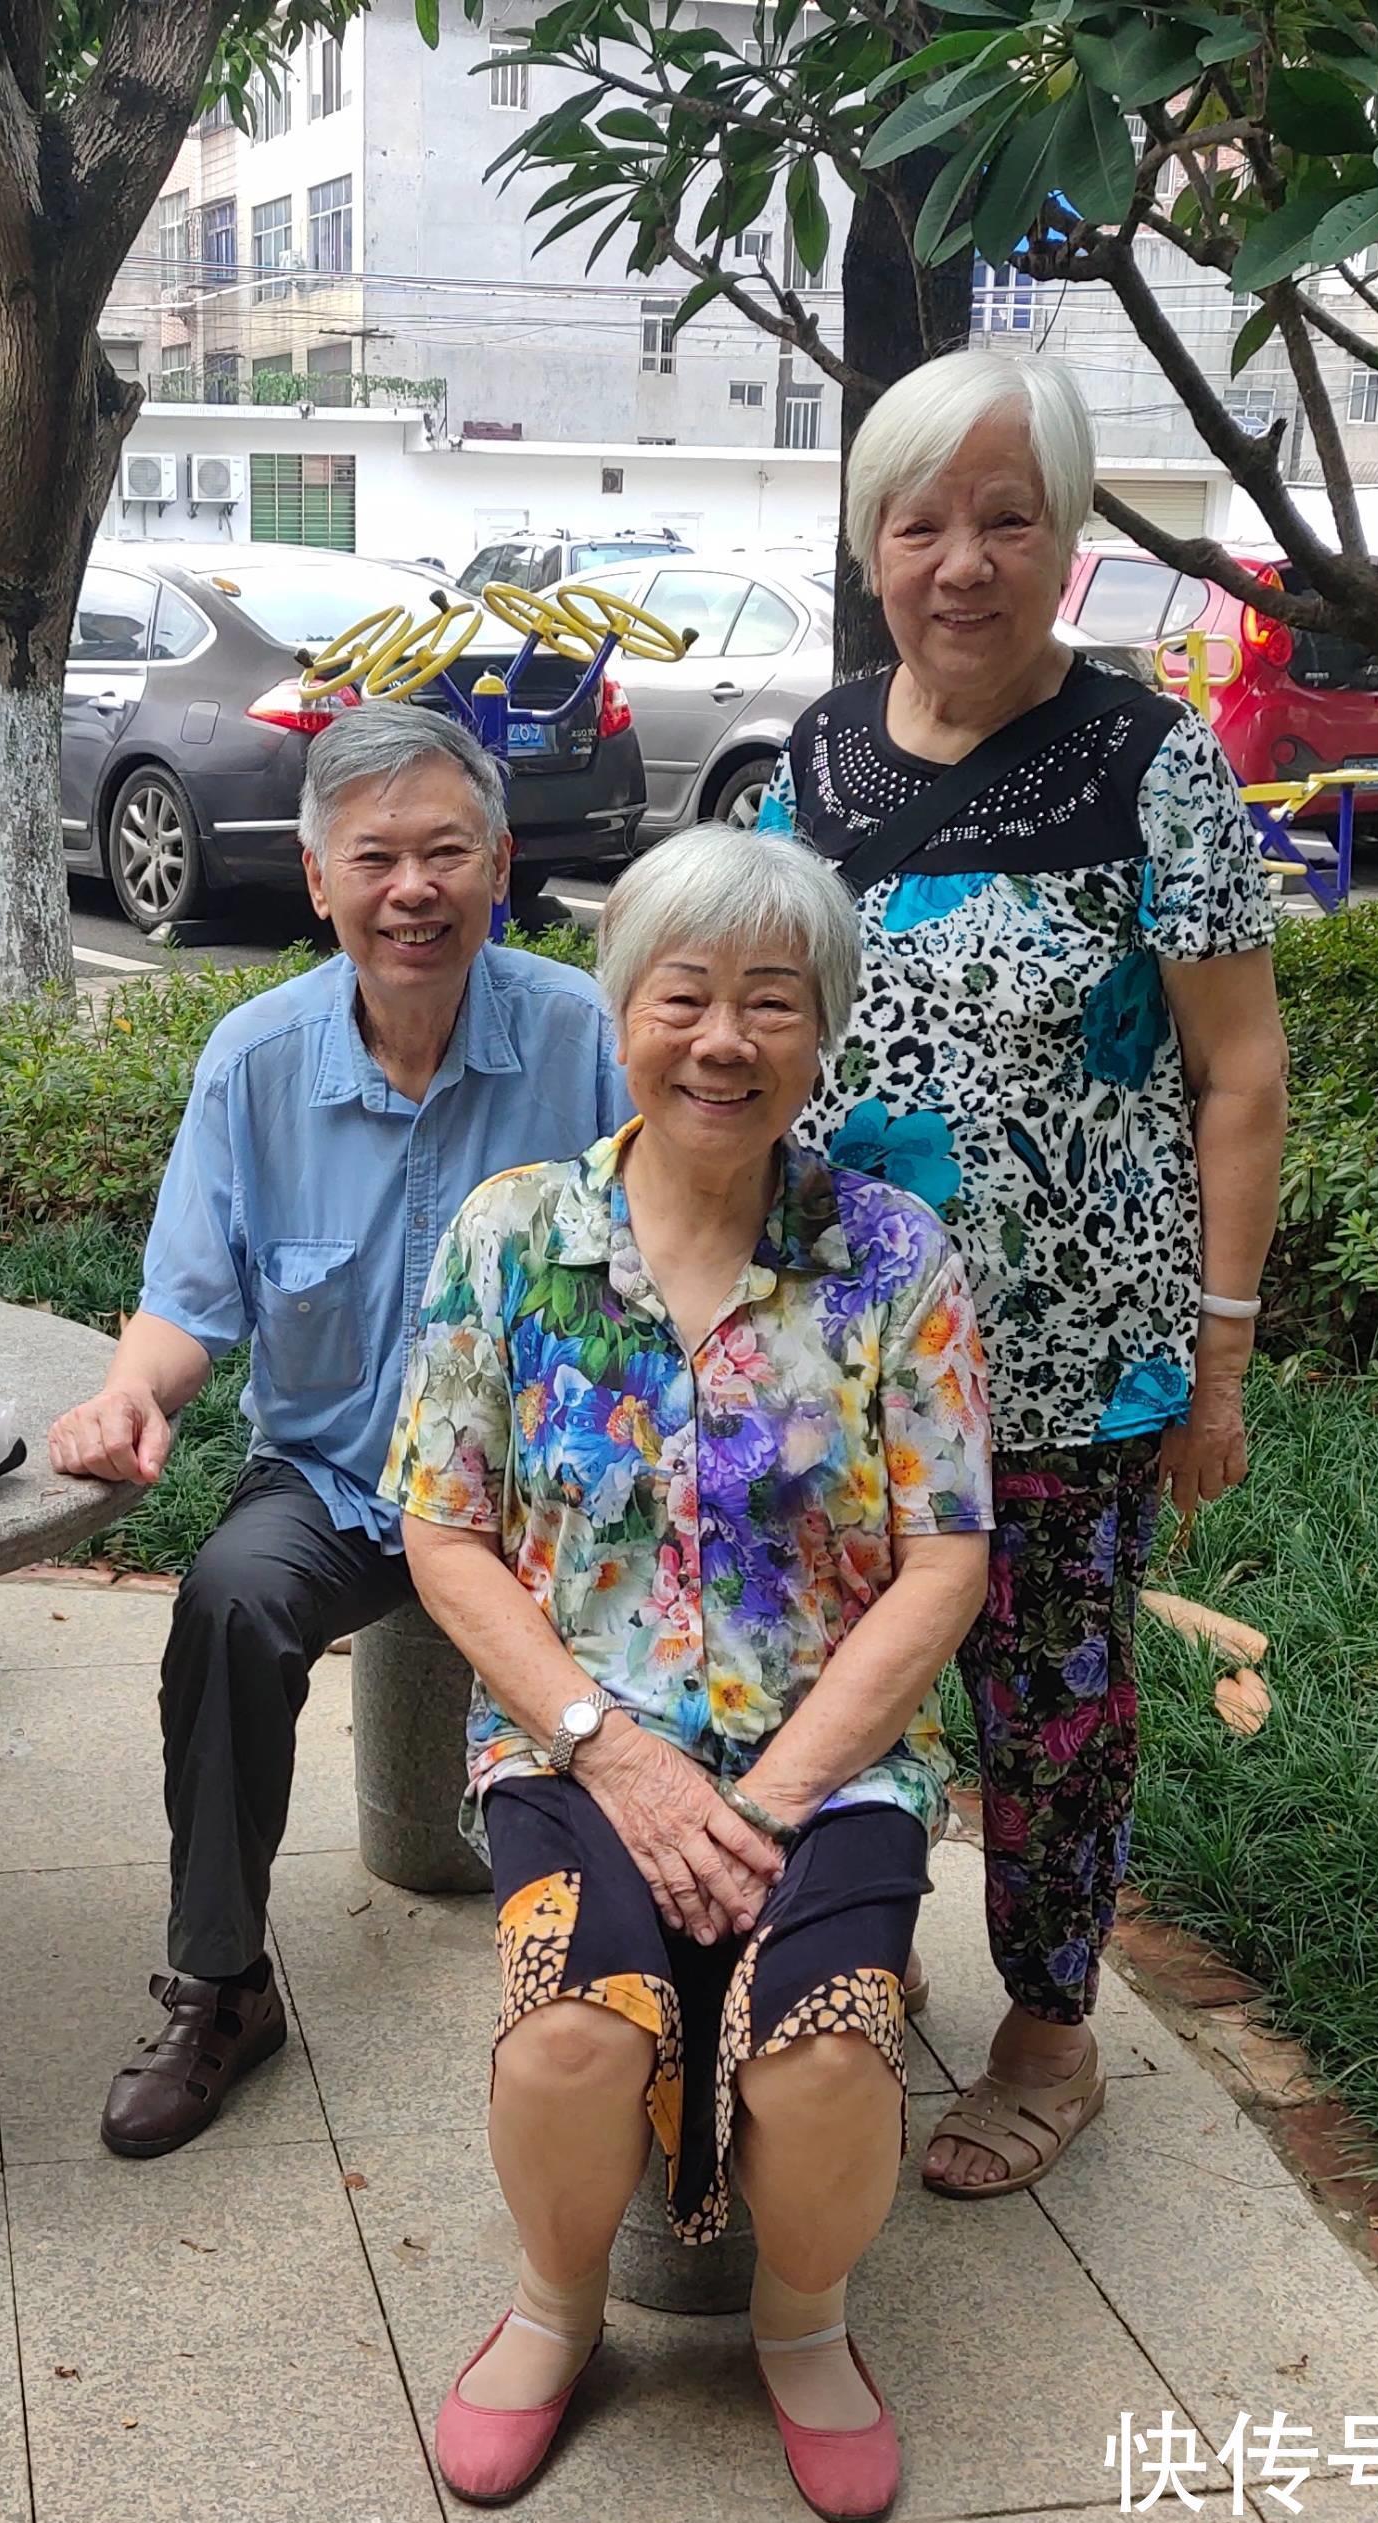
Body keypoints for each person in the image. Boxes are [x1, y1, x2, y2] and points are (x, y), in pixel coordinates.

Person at [384, 826, 994, 2517]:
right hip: (578, 1740)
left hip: (833, 1756)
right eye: (686, 997)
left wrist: (777, 1795)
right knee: (571, 2041)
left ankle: (805, 2323)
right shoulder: (514, 1239)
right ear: (619, 1009)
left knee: (827, 2057)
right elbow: (445, 1535)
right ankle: (552, 2308)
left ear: (823, 1030)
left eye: (772, 1003)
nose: (725, 1040)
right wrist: (613, 1751)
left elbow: (946, 1557)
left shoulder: (892, 1257)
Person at [758, 344, 1290, 2201]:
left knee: (1047, 1712)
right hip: (833, 1349)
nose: (963, 562)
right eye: (922, 524)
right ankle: (859, 1936)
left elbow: (1240, 1076)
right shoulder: (817, 757)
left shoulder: (1155, 765)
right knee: (827, 1670)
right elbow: (756, 1025)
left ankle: (1053, 2034)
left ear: (1066, 541)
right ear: (871, 545)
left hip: (1068, 1365)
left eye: (1008, 520)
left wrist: (1220, 1369)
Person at [48, 703, 628, 2161]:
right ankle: (221, 1982)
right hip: (341, 1482)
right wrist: (131, 1394)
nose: (411, 890)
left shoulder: (587, 1039)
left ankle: (687, 1953)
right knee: (230, 1603)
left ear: (500, 865)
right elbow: (187, 1302)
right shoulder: (255, 1062)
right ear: (319, 881)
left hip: (559, 1495)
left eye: (446, 853)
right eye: (374, 859)